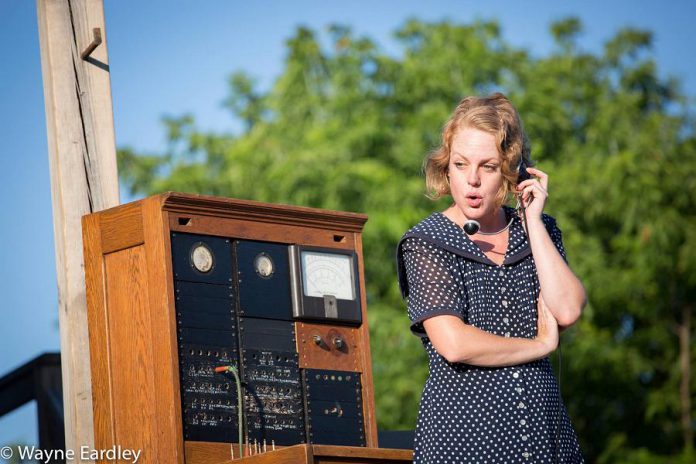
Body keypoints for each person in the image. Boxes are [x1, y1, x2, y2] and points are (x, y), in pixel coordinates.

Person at [396, 93, 586, 463]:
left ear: (512, 171)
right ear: (445, 168)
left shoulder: (538, 231)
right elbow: (454, 343)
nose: (472, 180)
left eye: (487, 166)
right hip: (466, 439)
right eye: (460, 164)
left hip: (545, 437)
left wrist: (533, 221)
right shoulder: (426, 241)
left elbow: (567, 310)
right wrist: (539, 346)